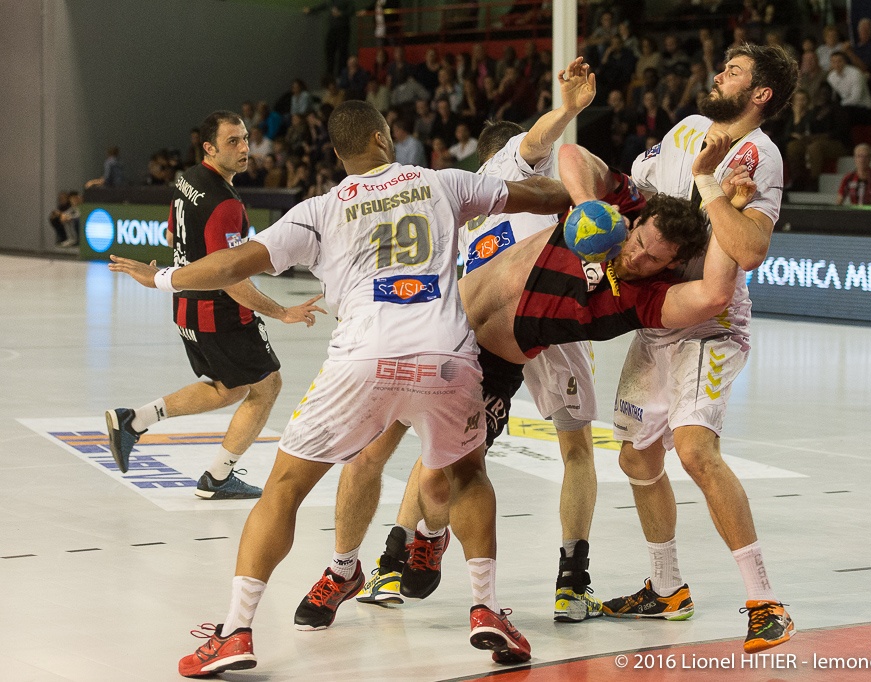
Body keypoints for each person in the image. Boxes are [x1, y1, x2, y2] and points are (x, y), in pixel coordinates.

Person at [109, 100, 573, 676]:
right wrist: (589, 202)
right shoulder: (445, 183)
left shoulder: (320, 210)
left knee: (283, 490)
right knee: (468, 475)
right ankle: (486, 607)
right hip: (446, 358)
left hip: (361, 364)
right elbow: (546, 197)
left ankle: (236, 630)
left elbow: (232, 265)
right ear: (385, 137)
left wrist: (160, 277)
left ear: (338, 155)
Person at [347, 57, 606, 621]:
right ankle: (571, 579)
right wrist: (566, 109)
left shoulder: (460, 203)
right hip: (545, 318)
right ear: (504, 152)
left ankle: (394, 560)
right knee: (575, 447)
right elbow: (539, 138)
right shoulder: (506, 165)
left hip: (480, 324)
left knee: (441, 444)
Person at [604, 42, 799, 655]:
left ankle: (766, 602)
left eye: (734, 71)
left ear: (761, 93)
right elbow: (637, 195)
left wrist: (710, 184)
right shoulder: (686, 128)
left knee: (694, 451)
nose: (718, 74)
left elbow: (748, 249)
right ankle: (667, 590)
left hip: (710, 324)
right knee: (636, 458)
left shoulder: (758, 155)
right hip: (657, 316)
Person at [104, 111, 327, 500]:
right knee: (267, 385)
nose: (244, 149)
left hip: (187, 306)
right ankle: (218, 476)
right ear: (209, 148)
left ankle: (134, 420)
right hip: (219, 309)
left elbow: (173, 231)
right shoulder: (225, 203)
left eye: (244, 139)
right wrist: (281, 311)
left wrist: (179, 266)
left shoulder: (186, 178)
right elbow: (230, 276)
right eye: (232, 142)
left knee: (229, 388)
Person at [303, 1, 355, 79]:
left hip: (343, 29)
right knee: (329, 52)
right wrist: (311, 10)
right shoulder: (330, 1)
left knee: (342, 54)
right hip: (333, 29)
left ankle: (341, 77)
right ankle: (330, 77)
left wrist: (341, 14)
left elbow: (352, 11)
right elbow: (323, 6)